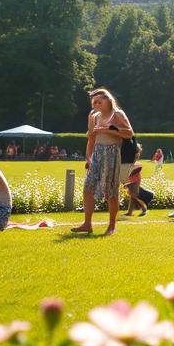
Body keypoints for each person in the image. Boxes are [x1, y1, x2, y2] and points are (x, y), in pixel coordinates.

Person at [73, 88, 133, 236]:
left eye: (100, 100)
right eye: (94, 101)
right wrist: (88, 157)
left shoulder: (117, 114)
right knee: (88, 188)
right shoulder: (93, 116)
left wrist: (108, 130)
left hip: (112, 153)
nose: (96, 103)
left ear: (108, 100)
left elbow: (129, 133)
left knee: (110, 191)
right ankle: (87, 224)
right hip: (97, 153)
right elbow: (91, 138)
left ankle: (112, 226)